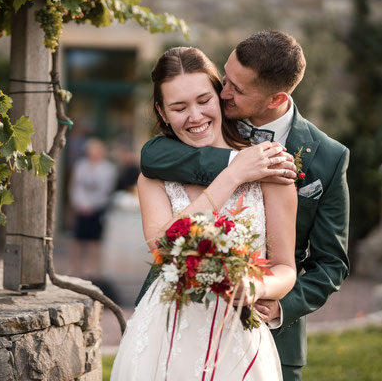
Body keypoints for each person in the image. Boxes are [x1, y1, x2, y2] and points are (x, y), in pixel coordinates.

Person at [135, 31, 350, 381]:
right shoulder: (208, 120)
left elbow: (330, 263)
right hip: (172, 327)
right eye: (224, 78)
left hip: (264, 329)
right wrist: (238, 167)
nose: (223, 93)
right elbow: (152, 155)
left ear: (275, 98)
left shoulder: (326, 158)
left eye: (234, 88)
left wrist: (271, 298)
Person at [111, 47, 298, 380]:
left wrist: (255, 286)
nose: (195, 117)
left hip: (237, 336)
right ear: (162, 112)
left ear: (220, 97)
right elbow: (163, 246)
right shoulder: (153, 177)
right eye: (179, 108)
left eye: (203, 100)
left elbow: (285, 268)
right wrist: (233, 175)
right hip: (164, 332)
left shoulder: (270, 169)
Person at [68, 138, 117, 279]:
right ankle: (74, 268)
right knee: (77, 239)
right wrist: (80, 203)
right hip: (80, 208)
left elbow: (105, 190)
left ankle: (93, 269)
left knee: (95, 241)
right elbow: (75, 186)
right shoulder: (80, 166)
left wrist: (92, 205)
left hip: (97, 209)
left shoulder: (108, 168)